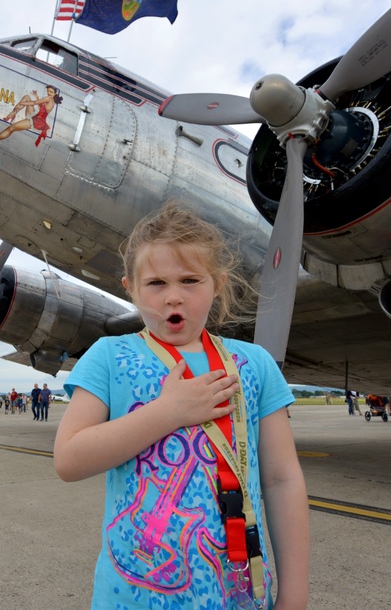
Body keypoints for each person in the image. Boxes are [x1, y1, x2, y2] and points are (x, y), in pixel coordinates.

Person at [53, 202, 310, 609]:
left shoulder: (254, 364)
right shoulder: (108, 356)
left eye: (191, 280)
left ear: (218, 283)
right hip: (131, 597)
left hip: (240, 595)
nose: (174, 297)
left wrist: (295, 596)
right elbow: (68, 459)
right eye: (156, 283)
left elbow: (282, 480)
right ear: (131, 288)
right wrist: (167, 413)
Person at [0, 85, 63, 153]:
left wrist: (22, 103)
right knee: (27, 97)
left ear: (55, 93)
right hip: (36, 117)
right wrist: (36, 96)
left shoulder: (48, 98)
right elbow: (41, 108)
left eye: (51, 91)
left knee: (11, 128)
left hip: (36, 121)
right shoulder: (51, 101)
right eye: (48, 91)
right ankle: (11, 115)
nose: (48, 93)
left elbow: (35, 103)